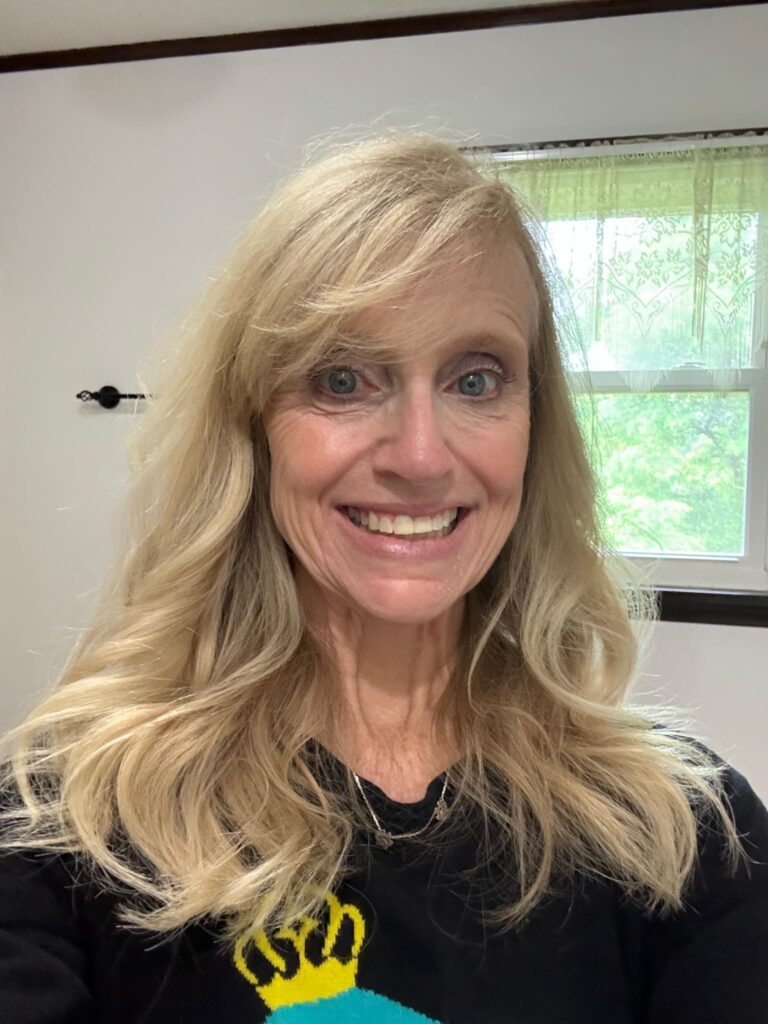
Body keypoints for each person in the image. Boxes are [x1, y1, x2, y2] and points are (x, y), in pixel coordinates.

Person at [1, 133, 767, 1024]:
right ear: (254, 427)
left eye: (476, 379)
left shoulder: (683, 831)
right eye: (342, 379)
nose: (420, 457)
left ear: (534, 425)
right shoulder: (72, 818)